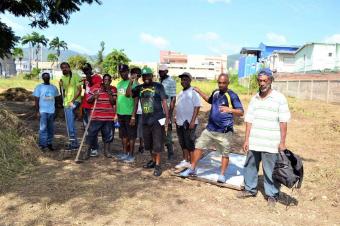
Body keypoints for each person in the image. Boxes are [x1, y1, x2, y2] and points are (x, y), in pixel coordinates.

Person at [237, 68, 291, 207]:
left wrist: (282, 142)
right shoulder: (254, 98)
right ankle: (250, 189)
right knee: (250, 166)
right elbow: (249, 120)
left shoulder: (279, 98)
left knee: (270, 170)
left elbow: (283, 121)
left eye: (264, 80)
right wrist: (246, 139)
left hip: (271, 142)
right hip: (254, 141)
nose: (262, 83)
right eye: (260, 80)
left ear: (271, 81)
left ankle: (271, 194)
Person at [180, 73, 244, 183]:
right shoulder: (215, 92)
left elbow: (241, 112)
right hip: (210, 129)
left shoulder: (232, 95)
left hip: (224, 132)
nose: (221, 85)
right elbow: (209, 100)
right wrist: (199, 91)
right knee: (198, 146)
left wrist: (230, 110)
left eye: (224, 83)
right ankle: (192, 169)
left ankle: (222, 175)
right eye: (219, 82)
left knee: (225, 153)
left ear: (228, 83)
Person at [131, 67, 169, 176]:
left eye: (148, 75)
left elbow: (164, 101)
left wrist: (167, 117)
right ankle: (152, 161)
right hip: (145, 120)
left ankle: (157, 165)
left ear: (151, 76)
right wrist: (131, 81)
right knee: (148, 143)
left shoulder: (158, 86)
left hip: (158, 119)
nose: (146, 78)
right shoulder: (139, 88)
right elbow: (129, 94)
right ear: (142, 77)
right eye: (144, 76)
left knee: (157, 143)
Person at [85, 74, 117, 158]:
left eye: (108, 80)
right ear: (103, 80)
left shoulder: (113, 89)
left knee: (108, 135)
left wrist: (109, 93)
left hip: (109, 117)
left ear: (111, 81)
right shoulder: (95, 87)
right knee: (91, 134)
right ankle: (87, 152)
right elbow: (88, 100)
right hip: (96, 116)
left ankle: (107, 151)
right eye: (105, 80)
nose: (106, 81)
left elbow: (113, 102)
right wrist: (94, 96)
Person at [174, 72, 201, 169]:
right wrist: (176, 117)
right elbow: (179, 106)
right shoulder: (181, 93)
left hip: (189, 123)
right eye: (182, 79)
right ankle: (185, 160)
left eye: (185, 79)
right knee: (183, 143)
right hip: (180, 122)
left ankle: (192, 163)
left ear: (190, 80)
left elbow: (197, 107)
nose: (183, 81)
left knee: (190, 143)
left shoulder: (193, 92)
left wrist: (193, 121)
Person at [116, 64, 138, 163]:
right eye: (121, 72)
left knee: (131, 135)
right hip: (120, 113)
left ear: (128, 71)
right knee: (123, 135)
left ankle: (131, 155)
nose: (122, 74)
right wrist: (116, 113)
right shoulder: (119, 84)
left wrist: (133, 116)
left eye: (124, 71)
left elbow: (133, 98)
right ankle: (125, 153)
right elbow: (118, 99)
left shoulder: (135, 84)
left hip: (130, 114)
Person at [33, 72, 59, 151]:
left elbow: (57, 100)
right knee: (43, 128)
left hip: (51, 111)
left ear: (49, 77)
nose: (46, 78)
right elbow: (36, 100)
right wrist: (37, 111)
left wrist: (56, 111)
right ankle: (42, 145)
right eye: (44, 77)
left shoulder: (54, 87)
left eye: (47, 76)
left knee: (50, 128)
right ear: (42, 78)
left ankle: (49, 144)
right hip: (43, 111)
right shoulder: (39, 87)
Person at [59, 62, 82, 150]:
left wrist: (72, 101)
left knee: (70, 123)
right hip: (66, 102)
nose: (64, 69)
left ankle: (74, 143)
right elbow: (63, 91)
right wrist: (60, 84)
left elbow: (80, 91)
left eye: (66, 67)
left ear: (69, 68)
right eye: (62, 68)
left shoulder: (76, 76)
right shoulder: (62, 78)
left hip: (75, 101)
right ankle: (73, 142)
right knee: (69, 123)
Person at [81, 63, 102, 157]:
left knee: (92, 129)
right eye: (84, 71)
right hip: (85, 106)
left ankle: (94, 148)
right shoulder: (85, 79)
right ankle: (89, 147)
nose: (86, 72)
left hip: (92, 107)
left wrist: (89, 79)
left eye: (87, 70)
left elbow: (96, 88)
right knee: (86, 128)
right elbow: (85, 91)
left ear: (90, 68)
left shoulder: (97, 77)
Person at [159, 64, 176, 160]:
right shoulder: (160, 81)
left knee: (167, 130)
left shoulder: (171, 81)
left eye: (162, 71)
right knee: (159, 130)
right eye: (159, 71)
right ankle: (160, 150)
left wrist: (169, 113)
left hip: (167, 111)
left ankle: (170, 152)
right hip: (159, 111)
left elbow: (173, 98)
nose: (160, 72)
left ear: (166, 71)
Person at [130, 67, 144, 153]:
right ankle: (132, 147)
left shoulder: (139, 86)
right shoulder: (130, 83)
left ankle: (141, 145)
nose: (135, 76)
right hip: (131, 110)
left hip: (139, 111)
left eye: (137, 74)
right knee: (133, 130)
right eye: (133, 74)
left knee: (141, 129)